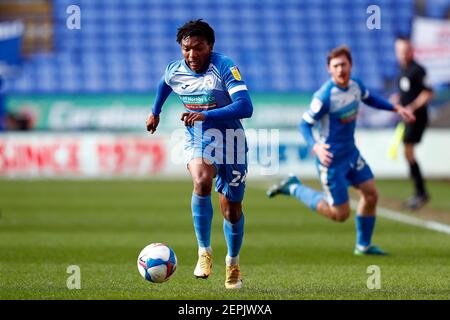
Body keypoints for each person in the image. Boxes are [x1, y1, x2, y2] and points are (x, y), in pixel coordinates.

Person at [267, 46, 415, 255]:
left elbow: (370, 98)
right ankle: (294, 188)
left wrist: (396, 108)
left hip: (351, 153)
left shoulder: (356, 86)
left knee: (371, 195)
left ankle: (363, 245)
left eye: (343, 64)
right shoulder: (325, 96)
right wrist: (315, 146)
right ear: (329, 69)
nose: (340, 69)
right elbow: (304, 124)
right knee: (340, 214)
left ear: (350, 65)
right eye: (335, 66)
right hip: (332, 160)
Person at [146, 19, 253, 289]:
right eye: (186, 49)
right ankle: (204, 252)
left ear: (210, 46)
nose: (192, 55)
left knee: (231, 210)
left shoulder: (225, 66)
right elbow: (164, 84)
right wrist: (155, 112)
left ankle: (233, 263)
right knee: (202, 180)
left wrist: (204, 114)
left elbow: (245, 107)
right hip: (200, 137)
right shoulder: (175, 69)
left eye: (198, 48)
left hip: (232, 140)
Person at [392, 37, 433, 210]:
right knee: (407, 152)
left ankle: (421, 192)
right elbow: (405, 93)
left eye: (405, 50)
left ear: (411, 50)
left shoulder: (418, 70)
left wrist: (412, 107)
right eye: (400, 51)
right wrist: (397, 100)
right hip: (407, 118)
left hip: (417, 118)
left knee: (408, 151)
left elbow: (428, 93)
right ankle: (419, 192)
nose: (403, 54)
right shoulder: (402, 71)